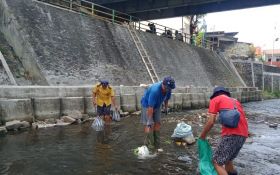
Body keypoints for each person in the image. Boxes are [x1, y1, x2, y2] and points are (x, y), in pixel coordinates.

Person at [200, 86, 248, 175]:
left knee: (216, 162)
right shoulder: (235, 101)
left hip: (231, 134)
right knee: (228, 159)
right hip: (244, 134)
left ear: (215, 95)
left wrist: (202, 136)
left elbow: (211, 122)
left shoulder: (215, 100)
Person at [140, 76, 176, 151]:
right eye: (167, 88)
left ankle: (157, 143)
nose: (168, 90)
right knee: (149, 125)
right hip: (147, 105)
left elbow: (166, 99)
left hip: (158, 105)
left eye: (170, 88)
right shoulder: (155, 91)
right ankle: (151, 144)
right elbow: (150, 107)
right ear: (163, 84)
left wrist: (166, 108)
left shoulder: (168, 88)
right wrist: (149, 120)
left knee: (158, 123)